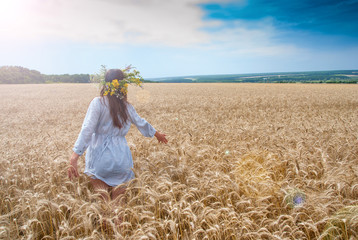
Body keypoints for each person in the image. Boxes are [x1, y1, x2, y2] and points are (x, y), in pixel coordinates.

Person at [68, 68, 168, 201]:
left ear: (105, 84)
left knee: (104, 204)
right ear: (123, 86)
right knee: (118, 208)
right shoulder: (126, 107)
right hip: (121, 159)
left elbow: (87, 129)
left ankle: (105, 221)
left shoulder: (98, 103)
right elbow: (141, 123)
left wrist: (75, 156)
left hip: (99, 159)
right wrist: (158, 135)